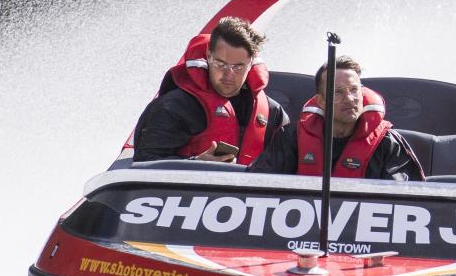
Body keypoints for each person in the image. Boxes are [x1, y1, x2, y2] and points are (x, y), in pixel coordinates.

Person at [132, 17, 289, 164]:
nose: (228, 74)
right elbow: (145, 161)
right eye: (220, 64)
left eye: (238, 67)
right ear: (208, 55)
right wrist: (196, 164)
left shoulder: (273, 113)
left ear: (251, 62)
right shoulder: (174, 106)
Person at [248, 56, 424, 181]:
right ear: (321, 101)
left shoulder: (388, 144)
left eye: (354, 90)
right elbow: (258, 185)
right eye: (338, 92)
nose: (350, 98)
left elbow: (407, 201)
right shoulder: (291, 138)